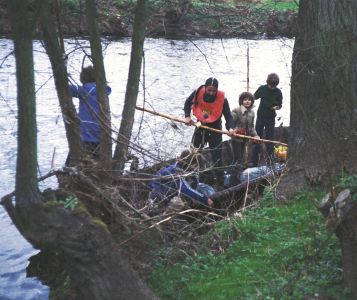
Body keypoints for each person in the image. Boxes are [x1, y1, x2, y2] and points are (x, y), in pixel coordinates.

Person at [183, 77, 234, 184]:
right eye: (209, 90)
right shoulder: (197, 93)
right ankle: (192, 176)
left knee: (216, 155)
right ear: (205, 88)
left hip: (215, 128)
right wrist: (187, 116)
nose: (211, 93)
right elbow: (187, 103)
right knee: (194, 152)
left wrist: (230, 128)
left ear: (217, 90)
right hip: (199, 125)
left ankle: (219, 180)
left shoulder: (223, 100)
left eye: (213, 91)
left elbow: (228, 117)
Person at [65, 65, 112, 166]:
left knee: (70, 166)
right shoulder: (102, 91)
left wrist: (62, 76)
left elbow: (68, 89)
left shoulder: (88, 89)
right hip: (100, 136)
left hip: (86, 135)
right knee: (94, 165)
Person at [149, 150, 214, 208]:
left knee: (201, 187)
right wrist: (205, 199)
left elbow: (195, 183)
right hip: (160, 198)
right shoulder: (175, 171)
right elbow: (184, 189)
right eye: (196, 166)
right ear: (190, 163)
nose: (196, 168)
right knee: (179, 202)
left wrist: (194, 197)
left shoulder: (184, 169)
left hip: (170, 192)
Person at [250, 73, 282, 166]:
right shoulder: (262, 89)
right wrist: (249, 99)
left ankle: (270, 160)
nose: (272, 87)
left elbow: (280, 105)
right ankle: (253, 160)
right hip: (260, 117)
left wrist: (277, 107)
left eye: (274, 86)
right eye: (270, 85)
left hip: (271, 118)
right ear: (267, 82)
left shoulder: (278, 92)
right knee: (256, 138)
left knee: (270, 139)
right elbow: (254, 97)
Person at [231, 91, 260, 166]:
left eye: (249, 99)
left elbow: (252, 126)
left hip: (246, 138)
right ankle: (234, 175)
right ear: (241, 101)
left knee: (242, 157)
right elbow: (230, 124)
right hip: (237, 138)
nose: (247, 101)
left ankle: (238, 172)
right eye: (245, 99)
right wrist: (233, 130)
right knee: (237, 158)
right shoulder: (236, 111)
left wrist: (256, 135)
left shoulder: (252, 112)